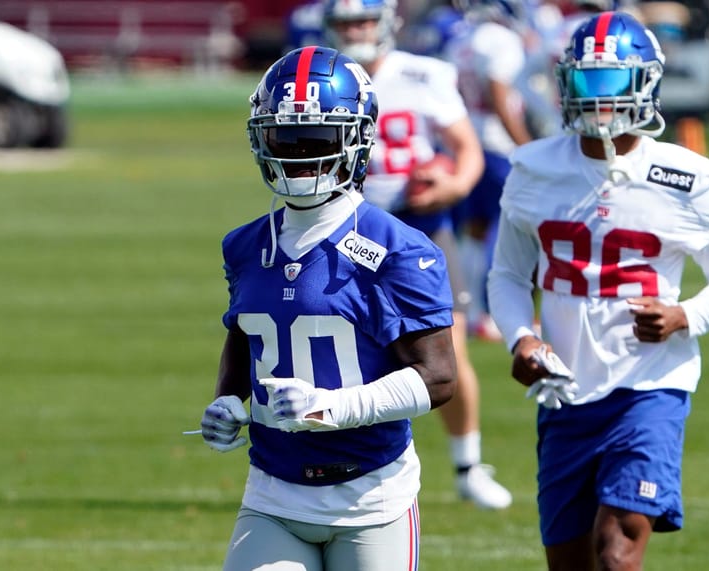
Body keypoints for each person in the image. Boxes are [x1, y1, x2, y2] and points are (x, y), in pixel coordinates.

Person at [487, 12, 709, 570]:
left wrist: (685, 314)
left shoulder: (687, 177)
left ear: (646, 82)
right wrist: (520, 336)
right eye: (587, 82)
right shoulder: (533, 168)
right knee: (570, 561)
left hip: (649, 386)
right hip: (565, 391)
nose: (599, 99)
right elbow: (509, 274)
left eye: (613, 82)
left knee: (617, 550)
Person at [198, 46, 458, 571]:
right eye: (283, 138)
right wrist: (228, 400)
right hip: (272, 493)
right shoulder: (246, 245)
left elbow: (438, 378)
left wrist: (329, 407)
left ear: (357, 141)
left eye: (316, 140)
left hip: (370, 498)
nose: (297, 156)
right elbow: (248, 333)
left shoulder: (399, 248)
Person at [322, 0, 513, 509]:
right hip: (341, 227)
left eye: (363, 20)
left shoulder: (424, 74)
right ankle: (339, 464)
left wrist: (452, 185)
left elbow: (466, 148)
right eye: (345, 23)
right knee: (341, 346)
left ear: (386, 23)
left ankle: (468, 465)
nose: (355, 31)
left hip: (419, 228)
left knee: (449, 345)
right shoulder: (321, 76)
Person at [443, 0, 536, 341]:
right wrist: (525, 145)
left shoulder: (462, 38)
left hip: (468, 138)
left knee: (475, 229)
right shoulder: (500, 39)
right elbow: (499, 96)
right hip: (496, 144)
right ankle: (490, 311)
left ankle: (469, 310)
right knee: (505, 224)